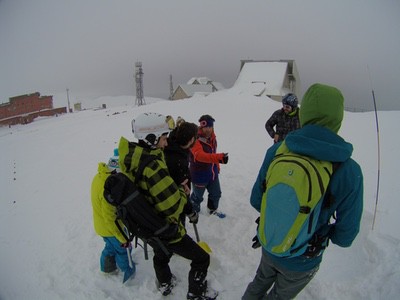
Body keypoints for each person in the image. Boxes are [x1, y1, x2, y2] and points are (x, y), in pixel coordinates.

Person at [242, 83, 363, 299]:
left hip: (271, 241)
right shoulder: (349, 170)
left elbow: (256, 199)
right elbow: (346, 237)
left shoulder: (277, 150)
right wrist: (322, 230)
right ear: (338, 118)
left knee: (259, 282)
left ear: (304, 112)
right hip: (304, 257)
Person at [118, 112, 218, 299]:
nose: (166, 142)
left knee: (161, 253)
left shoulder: (134, 156)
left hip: (147, 223)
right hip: (164, 225)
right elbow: (172, 206)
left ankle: (164, 284)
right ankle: (195, 295)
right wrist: (181, 190)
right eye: (164, 138)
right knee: (202, 258)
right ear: (151, 138)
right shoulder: (152, 166)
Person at [90, 149, 135, 283]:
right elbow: (110, 219)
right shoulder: (108, 191)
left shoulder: (100, 176)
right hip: (109, 229)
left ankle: (107, 268)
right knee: (123, 249)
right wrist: (123, 238)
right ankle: (127, 270)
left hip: (101, 226)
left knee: (110, 247)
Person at [189, 114, 228, 218]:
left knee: (216, 194)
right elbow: (199, 156)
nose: (208, 129)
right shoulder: (195, 139)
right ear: (201, 126)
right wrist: (219, 158)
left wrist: (217, 166)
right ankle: (193, 212)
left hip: (212, 173)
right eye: (206, 127)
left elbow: (213, 152)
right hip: (199, 175)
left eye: (210, 127)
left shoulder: (213, 138)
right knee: (197, 197)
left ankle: (212, 210)